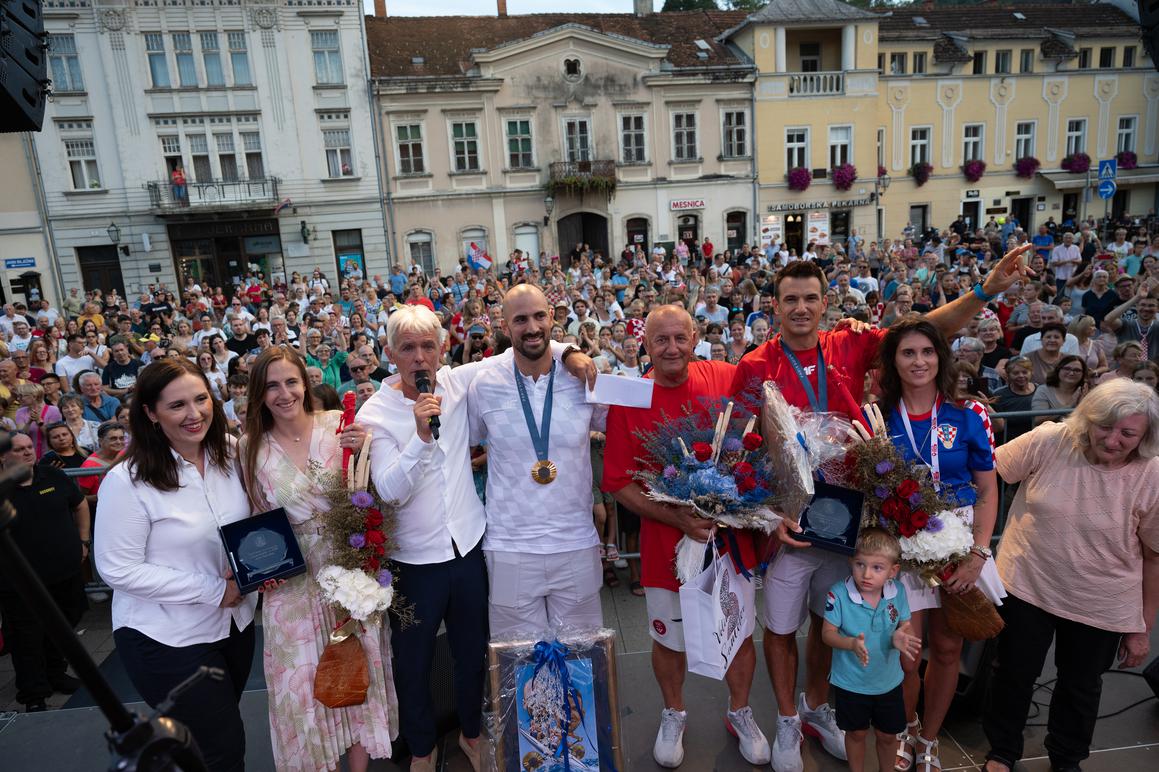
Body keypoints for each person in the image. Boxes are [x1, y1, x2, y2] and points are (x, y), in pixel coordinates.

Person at [727, 243, 1030, 772]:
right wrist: (770, 515)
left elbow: (923, 332)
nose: (801, 308)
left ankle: (816, 708)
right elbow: (738, 449)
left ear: (825, 304)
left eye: (810, 299)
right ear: (773, 306)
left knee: (830, 617)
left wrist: (985, 291)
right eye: (790, 299)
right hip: (794, 522)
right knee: (778, 628)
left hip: (854, 521)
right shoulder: (754, 365)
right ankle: (783, 719)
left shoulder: (849, 342)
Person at [358, 304, 592, 772]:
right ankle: (422, 749)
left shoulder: (459, 382)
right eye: (407, 348)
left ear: (442, 350)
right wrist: (420, 438)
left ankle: (470, 733)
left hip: (467, 547)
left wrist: (572, 353)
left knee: (472, 655)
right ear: (390, 353)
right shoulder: (376, 413)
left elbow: (529, 346)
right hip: (413, 560)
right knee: (414, 664)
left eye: (428, 346)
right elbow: (388, 490)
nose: (419, 358)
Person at [603, 305, 770, 768]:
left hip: (729, 540)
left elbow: (763, 432)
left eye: (680, 337)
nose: (672, 348)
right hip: (664, 545)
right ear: (647, 345)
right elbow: (617, 480)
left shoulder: (724, 375)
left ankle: (740, 711)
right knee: (667, 639)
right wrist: (678, 519)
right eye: (661, 340)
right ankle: (674, 712)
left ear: (695, 336)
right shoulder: (630, 396)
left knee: (736, 634)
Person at [982, 380, 1159, 772]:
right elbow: (986, 473)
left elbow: (1154, 557)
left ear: (1145, 436)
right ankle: (1001, 752)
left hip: (1102, 597)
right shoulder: (1050, 440)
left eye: (1128, 433)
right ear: (1088, 419)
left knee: (1081, 686)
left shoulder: (1152, 474)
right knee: (1013, 673)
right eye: (1103, 427)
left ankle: (1066, 759)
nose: (1112, 440)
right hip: (1027, 581)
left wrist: (1141, 627)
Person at [94, 359, 256, 772]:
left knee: (202, 750)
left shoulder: (231, 454)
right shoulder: (126, 480)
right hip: (167, 638)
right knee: (223, 749)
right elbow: (118, 568)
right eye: (177, 405)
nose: (194, 413)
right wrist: (215, 590)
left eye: (201, 399)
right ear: (150, 413)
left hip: (234, 626)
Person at [240, 347, 394, 772]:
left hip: (349, 570)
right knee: (300, 689)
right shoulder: (250, 447)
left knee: (356, 677)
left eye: (291, 381)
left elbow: (370, 491)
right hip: (291, 582)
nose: (284, 393)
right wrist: (255, 566)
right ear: (259, 393)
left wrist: (364, 450)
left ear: (305, 384)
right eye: (271, 385)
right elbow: (255, 517)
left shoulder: (341, 426)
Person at [865, 318, 1002, 772]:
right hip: (904, 547)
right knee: (906, 650)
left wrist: (978, 553)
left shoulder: (968, 415)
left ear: (940, 357)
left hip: (961, 545)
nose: (919, 361)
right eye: (908, 353)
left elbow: (986, 490)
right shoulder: (878, 420)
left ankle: (929, 739)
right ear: (893, 362)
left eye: (927, 351)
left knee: (946, 649)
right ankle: (904, 729)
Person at [468, 285, 607, 636]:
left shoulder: (582, 377)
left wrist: (568, 352)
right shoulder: (484, 381)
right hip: (509, 545)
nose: (532, 327)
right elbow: (462, 443)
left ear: (552, 318)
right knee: (520, 667)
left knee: (582, 660)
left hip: (575, 540)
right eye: (520, 319)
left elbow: (626, 424)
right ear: (504, 325)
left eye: (539, 316)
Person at [0, 432, 90, 712]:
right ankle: (34, 693)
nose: (28, 452)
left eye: (30, 447)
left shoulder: (53, 476)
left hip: (65, 573)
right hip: (20, 583)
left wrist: (83, 539)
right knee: (26, 638)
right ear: (4, 455)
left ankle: (55, 674)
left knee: (64, 624)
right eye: (19, 449)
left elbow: (80, 504)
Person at [820, 529, 920, 772]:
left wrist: (902, 634)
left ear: (892, 571)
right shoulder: (839, 594)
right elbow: (827, 634)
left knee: (888, 736)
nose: (866, 574)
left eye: (877, 567)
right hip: (851, 683)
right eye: (860, 564)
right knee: (855, 734)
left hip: (888, 683)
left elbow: (906, 624)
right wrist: (851, 644)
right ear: (850, 561)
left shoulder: (898, 592)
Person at [76, 421, 126, 506]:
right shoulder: (89, 466)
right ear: (100, 441)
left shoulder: (125, 455)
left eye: (121, 438)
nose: (118, 442)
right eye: (113, 438)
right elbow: (80, 497)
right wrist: (102, 497)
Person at [1031, 355, 1088, 424]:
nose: (1071, 373)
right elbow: (1038, 420)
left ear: (1083, 374)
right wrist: (1069, 406)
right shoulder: (1044, 390)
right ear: (1058, 370)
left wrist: (1082, 405)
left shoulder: (1087, 392)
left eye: (1077, 370)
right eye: (1067, 369)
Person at [13, 382, 61, 460]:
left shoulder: (53, 410)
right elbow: (21, 435)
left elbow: (52, 436)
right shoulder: (20, 412)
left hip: (49, 455)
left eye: (22, 396)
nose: (18, 399)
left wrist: (39, 421)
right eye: (18, 396)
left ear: (34, 397)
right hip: (29, 455)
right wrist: (29, 422)